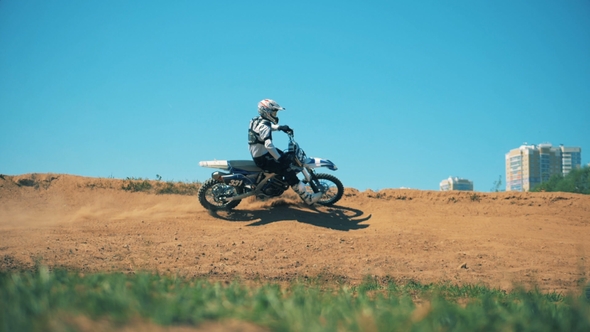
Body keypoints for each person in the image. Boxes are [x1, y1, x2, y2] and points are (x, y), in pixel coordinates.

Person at [248, 99, 322, 205]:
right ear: (266, 111)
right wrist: (280, 159)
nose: (275, 114)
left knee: (285, 157)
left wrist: (280, 128)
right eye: (273, 112)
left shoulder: (255, 120)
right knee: (288, 170)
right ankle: (308, 198)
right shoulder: (264, 125)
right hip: (263, 157)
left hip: (260, 153)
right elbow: (268, 145)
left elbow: (265, 128)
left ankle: (276, 183)